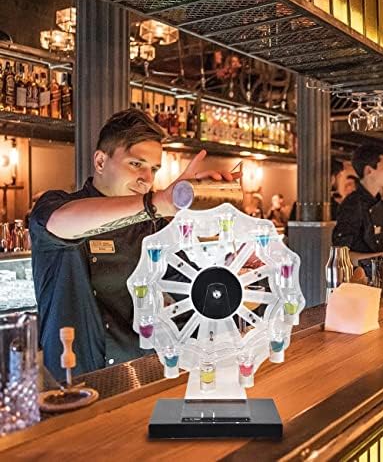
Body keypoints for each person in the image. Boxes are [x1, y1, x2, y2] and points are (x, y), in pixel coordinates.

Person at [30, 109, 240, 380]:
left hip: (137, 375)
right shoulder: (57, 205)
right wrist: (154, 204)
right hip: (73, 382)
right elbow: (62, 223)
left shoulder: (151, 226)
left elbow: (189, 289)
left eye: (153, 169)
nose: (147, 178)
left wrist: (232, 279)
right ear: (100, 161)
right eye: (135, 164)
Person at [332, 144, 383, 265]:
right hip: (360, 280)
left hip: (380, 278)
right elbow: (342, 256)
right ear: (369, 170)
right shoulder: (352, 204)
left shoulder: (380, 203)